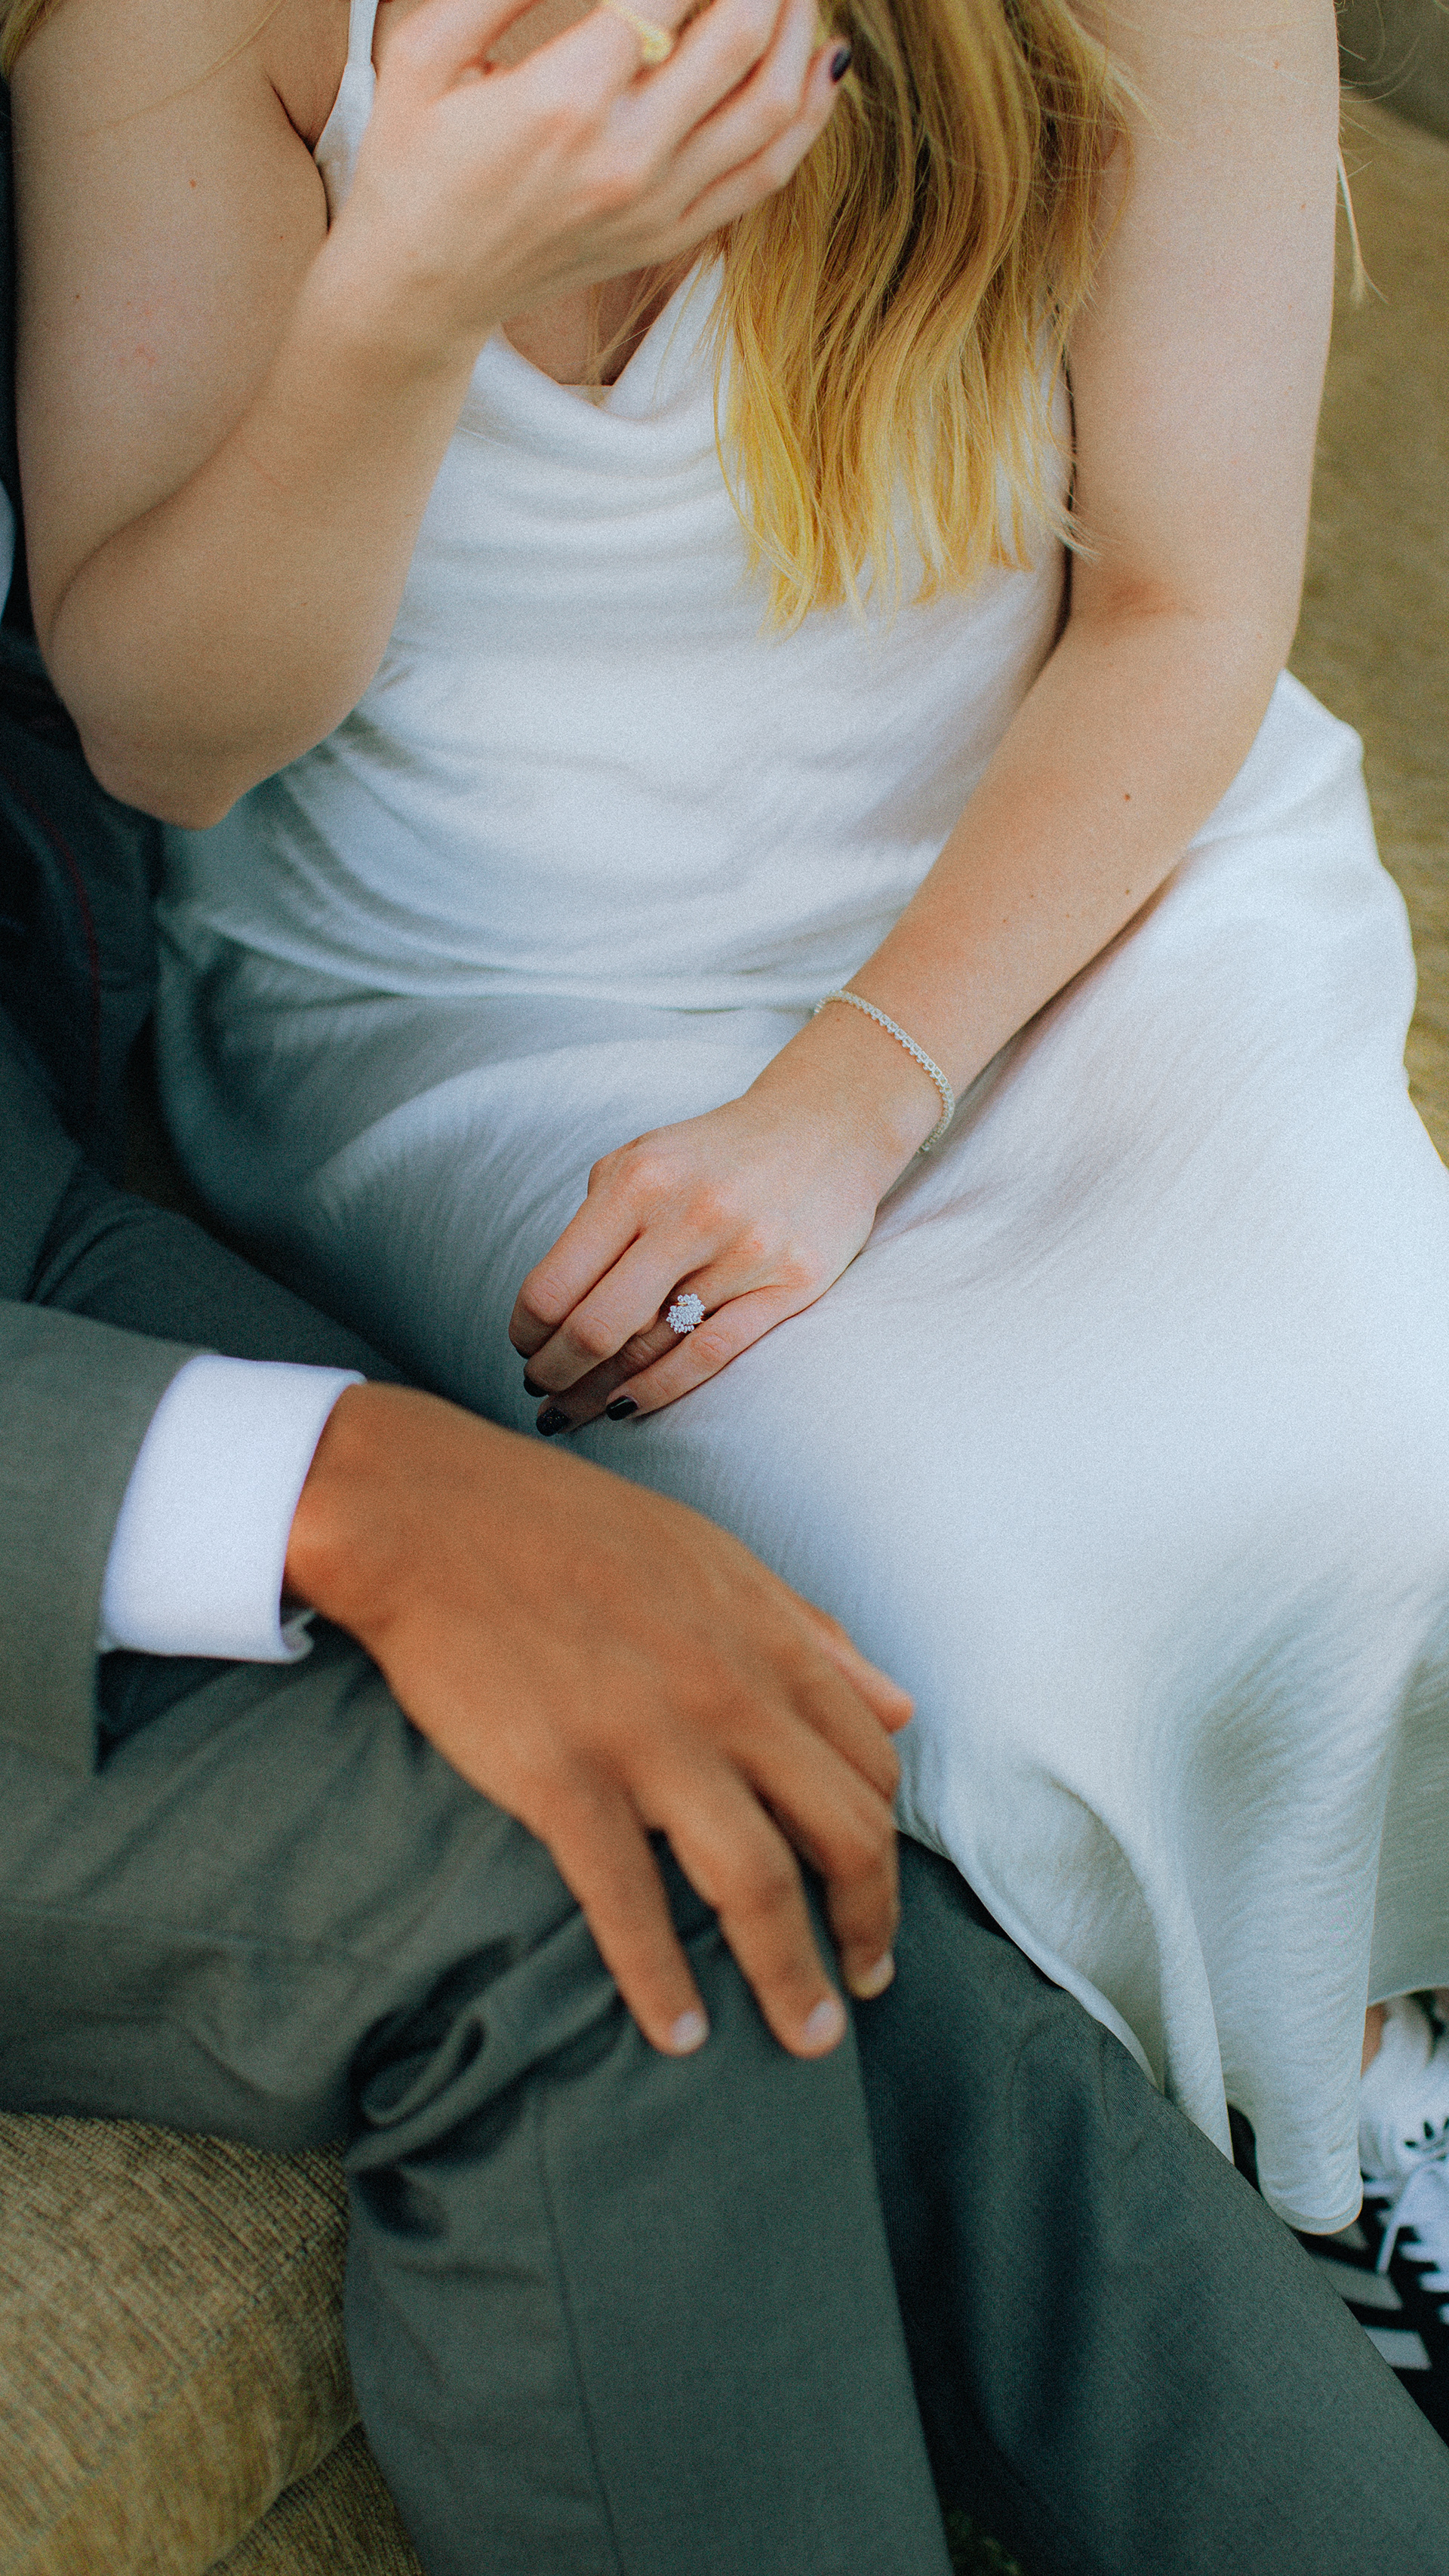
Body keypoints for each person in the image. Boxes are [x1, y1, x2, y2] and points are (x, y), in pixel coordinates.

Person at [8, 0, 1449, 2297]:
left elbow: (1184, 604)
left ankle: (1367, 2076)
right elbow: (170, 739)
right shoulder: (187, 30)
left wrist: (853, 1095)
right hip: (471, 996)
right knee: (963, 1621)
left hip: (1060, 884)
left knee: (1400, 1462)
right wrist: (410, 295)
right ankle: (1279, 2196)